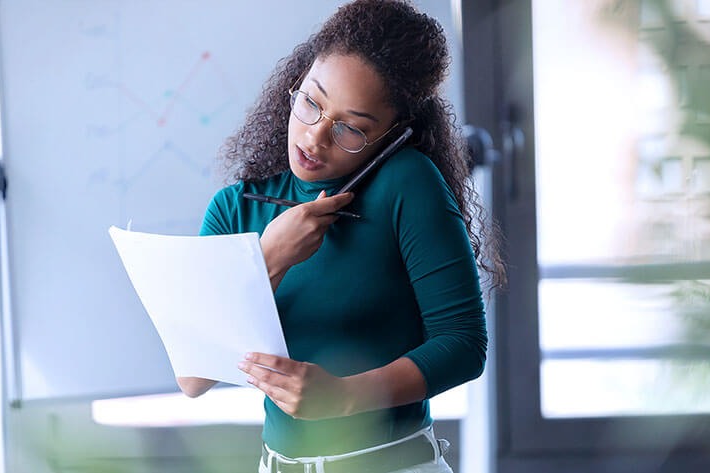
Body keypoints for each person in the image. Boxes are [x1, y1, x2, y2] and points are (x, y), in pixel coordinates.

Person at [177, 1, 506, 471]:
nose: (314, 138)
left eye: (350, 128)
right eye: (310, 102)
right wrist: (269, 260)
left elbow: (464, 344)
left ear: (392, 134)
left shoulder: (406, 184)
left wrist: (345, 398)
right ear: (293, 84)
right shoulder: (236, 208)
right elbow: (191, 379)